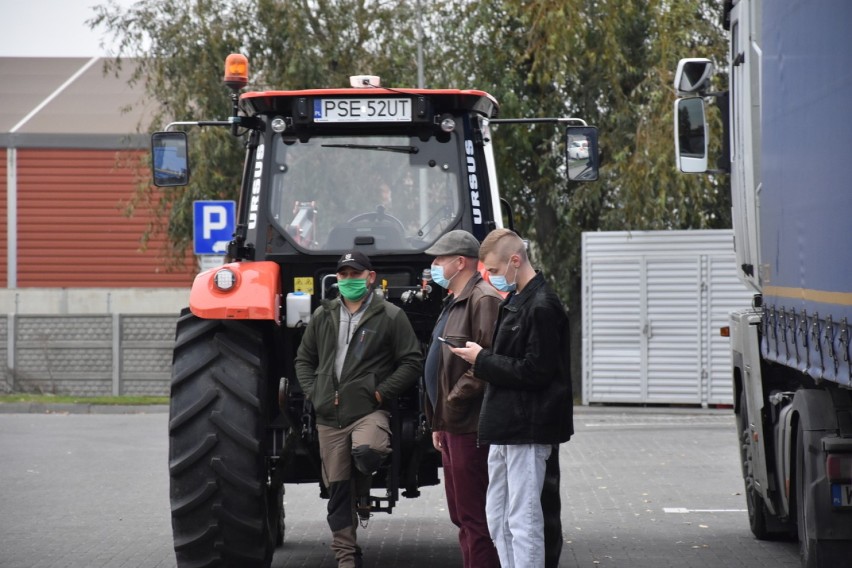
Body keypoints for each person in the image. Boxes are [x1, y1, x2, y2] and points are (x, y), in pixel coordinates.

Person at [449, 228, 573, 568]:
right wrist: (485, 359)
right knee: (498, 515)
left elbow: (536, 371)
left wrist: (482, 360)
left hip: (527, 427)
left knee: (523, 518)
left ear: (515, 261)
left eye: (494, 269)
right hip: (506, 425)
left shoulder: (543, 305)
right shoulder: (519, 300)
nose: (490, 278)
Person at [294, 250, 422, 568]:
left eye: (356, 274)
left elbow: (412, 361)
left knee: (369, 451)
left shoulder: (390, 316)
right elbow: (303, 360)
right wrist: (315, 392)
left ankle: (363, 487)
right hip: (328, 417)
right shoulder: (323, 316)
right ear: (337, 279)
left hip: (368, 410)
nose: (349, 280)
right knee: (337, 491)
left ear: (370, 277)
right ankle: (347, 558)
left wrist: (381, 393)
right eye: (344, 275)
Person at [423, 230, 502, 568]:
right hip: (451, 425)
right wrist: (439, 421)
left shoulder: (482, 299)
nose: (434, 265)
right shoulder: (454, 301)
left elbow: (486, 364)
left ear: (460, 262)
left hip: (470, 426)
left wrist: (452, 403)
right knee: (461, 515)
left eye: (440, 259)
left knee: (476, 517)